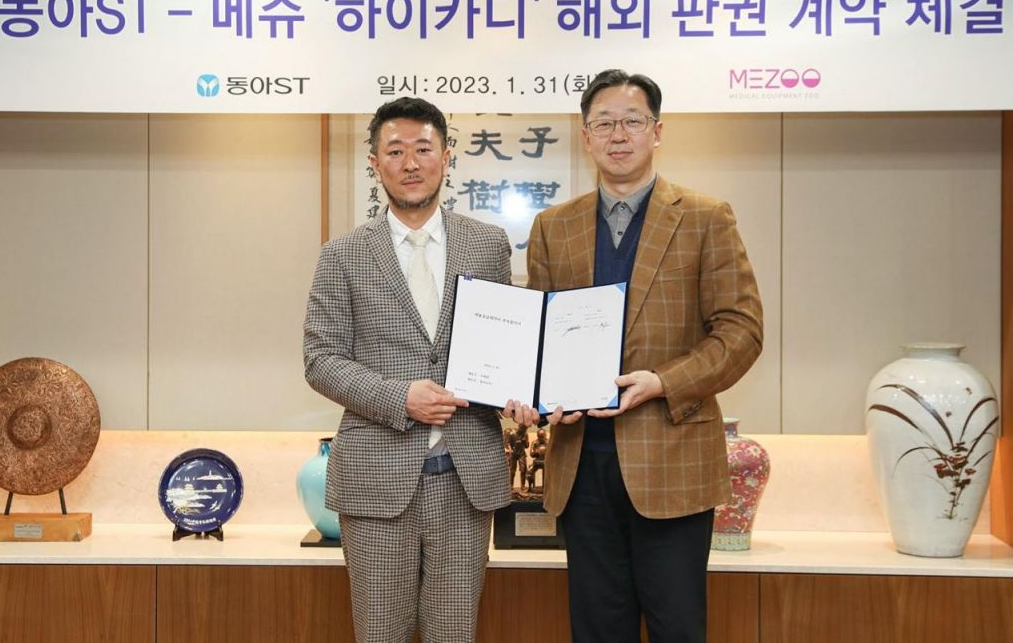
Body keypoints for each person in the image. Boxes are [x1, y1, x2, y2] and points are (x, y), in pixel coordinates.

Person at [509, 69, 763, 642]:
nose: (618, 135)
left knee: (678, 629)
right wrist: (534, 392)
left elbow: (742, 331)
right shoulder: (553, 226)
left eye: (632, 121)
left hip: (673, 462)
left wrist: (663, 382)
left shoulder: (705, 217)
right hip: (581, 466)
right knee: (597, 630)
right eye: (604, 123)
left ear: (657, 131)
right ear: (586, 137)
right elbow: (539, 338)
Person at [304, 96, 512, 643]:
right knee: (380, 634)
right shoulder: (342, 254)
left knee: (454, 634)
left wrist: (521, 390)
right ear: (375, 164)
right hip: (375, 481)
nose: (411, 163)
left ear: (446, 157)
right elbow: (320, 359)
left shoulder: (488, 244)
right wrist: (401, 398)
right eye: (395, 151)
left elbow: (503, 346)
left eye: (423, 148)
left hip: (465, 480)